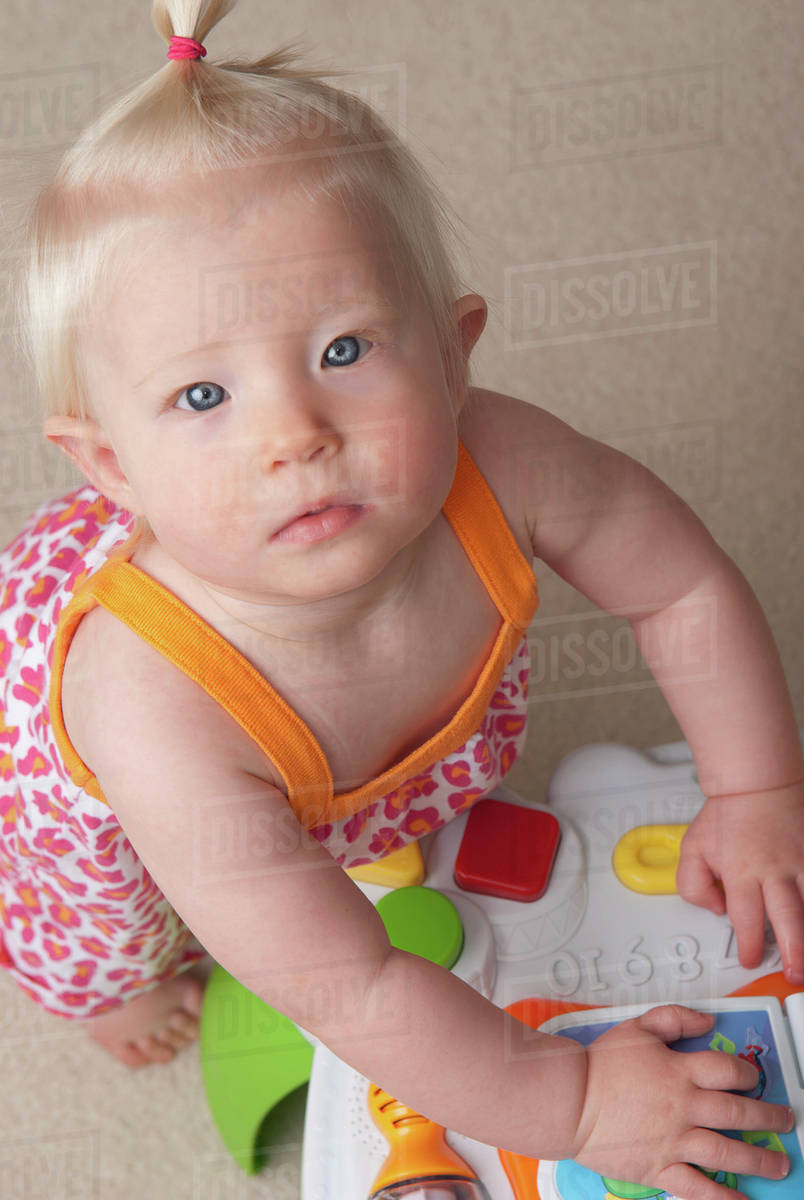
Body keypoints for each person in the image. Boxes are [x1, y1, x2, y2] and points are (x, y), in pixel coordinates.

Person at [1, 1, 801, 1194]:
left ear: (454, 345)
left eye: (343, 350)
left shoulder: (508, 463)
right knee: (115, 947)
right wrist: (572, 1102)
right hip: (112, 800)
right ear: (110, 467)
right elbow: (348, 983)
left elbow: (679, 588)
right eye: (204, 398)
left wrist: (755, 788)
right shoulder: (150, 708)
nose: (294, 436)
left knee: (425, 811)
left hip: (367, 749)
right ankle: (106, 1002)